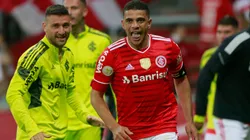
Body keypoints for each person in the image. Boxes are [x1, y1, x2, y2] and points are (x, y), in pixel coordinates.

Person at [90, 1, 198, 140]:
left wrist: (189, 121)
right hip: (129, 133)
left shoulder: (168, 47)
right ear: (123, 24)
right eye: (130, 21)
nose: (135, 25)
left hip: (164, 128)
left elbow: (181, 80)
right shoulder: (110, 55)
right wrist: (114, 127)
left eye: (140, 20)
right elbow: (96, 96)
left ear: (149, 23)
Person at [6, 5, 104, 140]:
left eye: (65, 25)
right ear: (44, 26)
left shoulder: (68, 56)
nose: (61, 31)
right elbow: (13, 94)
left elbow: (69, 90)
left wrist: (84, 115)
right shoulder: (34, 56)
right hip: (37, 135)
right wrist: (32, 130)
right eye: (55, 26)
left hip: (60, 134)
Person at [63, 0, 114, 140]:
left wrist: (115, 121)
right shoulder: (54, 42)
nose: (69, 12)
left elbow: (113, 86)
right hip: (59, 123)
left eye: (74, 8)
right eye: (66, 8)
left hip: (91, 121)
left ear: (85, 11)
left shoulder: (101, 41)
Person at [195, 12, 250, 139]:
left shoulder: (242, 48)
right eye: (219, 32)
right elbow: (204, 80)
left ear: (237, 30)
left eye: (227, 32)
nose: (222, 36)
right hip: (222, 119)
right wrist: (199, 116)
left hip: (242, 115)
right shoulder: (210, 56)